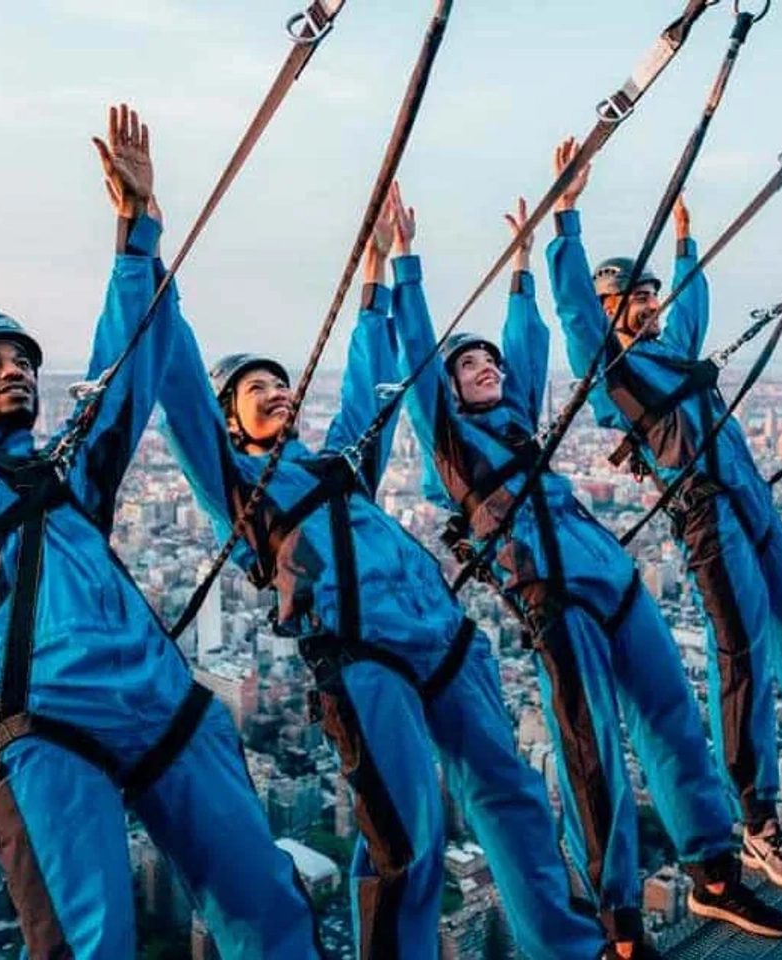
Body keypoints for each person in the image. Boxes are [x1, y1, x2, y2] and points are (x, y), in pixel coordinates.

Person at [0, 47, 326, 958]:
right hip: (46, 720)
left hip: (167, 705)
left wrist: (137, 229)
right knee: (94, 946)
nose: (15, 372)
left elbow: (125, 366)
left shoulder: (70, 474)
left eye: (23, 364)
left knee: (274, 911)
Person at [155, 206, 622, 959]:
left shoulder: (339, 465)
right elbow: (180, 404)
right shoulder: (240, 489)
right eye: (256, 389)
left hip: (442, 637)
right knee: (408, 840)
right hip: (363, 658)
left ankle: (569, 947)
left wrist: (377, 272)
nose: (277, 391)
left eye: (281, 382)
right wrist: (150, 264)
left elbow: (365, 390)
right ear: (230, 421)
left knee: (513, 797)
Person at [386, 182, 782, 945]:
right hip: (556, 599)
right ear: (446, 389)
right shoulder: (453, 445)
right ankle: (621, 927)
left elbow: (530, 342)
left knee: (673, 721)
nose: (486, 367)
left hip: (612, 580)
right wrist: (406, 268)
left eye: (486, 360)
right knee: (593, 754)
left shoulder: (516, 421)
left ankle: (714, 876)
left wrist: (520, 265)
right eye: (467, 364)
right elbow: (416, 367)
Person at [544, 136, 782, 891]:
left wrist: (685, 243)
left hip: (750, 499)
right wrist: (566, 218)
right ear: (611, 309)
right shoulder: (612, 370)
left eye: (650, 297)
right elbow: (577, 315)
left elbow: (694, 308)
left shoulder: (672, 352)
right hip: (706, 516)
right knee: (742, 659)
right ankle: (757, 823)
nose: (647, 307)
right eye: (633, 299)